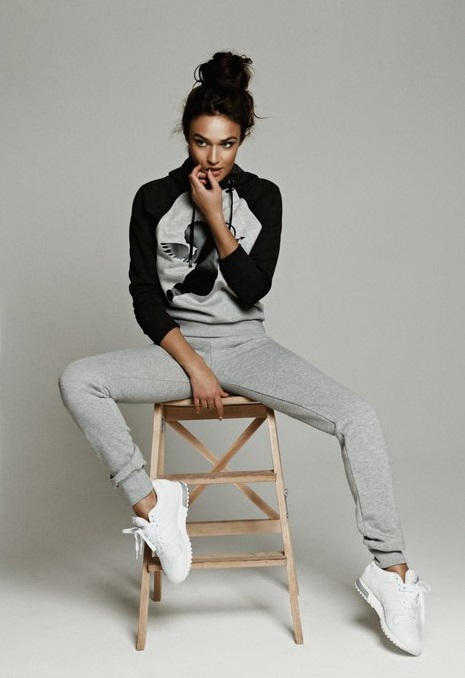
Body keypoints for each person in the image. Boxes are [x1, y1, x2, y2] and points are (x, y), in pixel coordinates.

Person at [59, 51, 430, 654]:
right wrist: (195, 368)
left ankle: (391, 572)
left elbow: (254, 287)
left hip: (250, 349)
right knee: (78, 379)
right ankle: (155, 507)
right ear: (186, 136)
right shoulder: (152, 199)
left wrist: (214, 215)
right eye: (201, 142)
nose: (212, 158)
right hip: (178, 352)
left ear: (242, 141)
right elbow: (145, 299)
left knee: (358, 416)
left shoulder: (264, 197)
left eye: (226, 145)